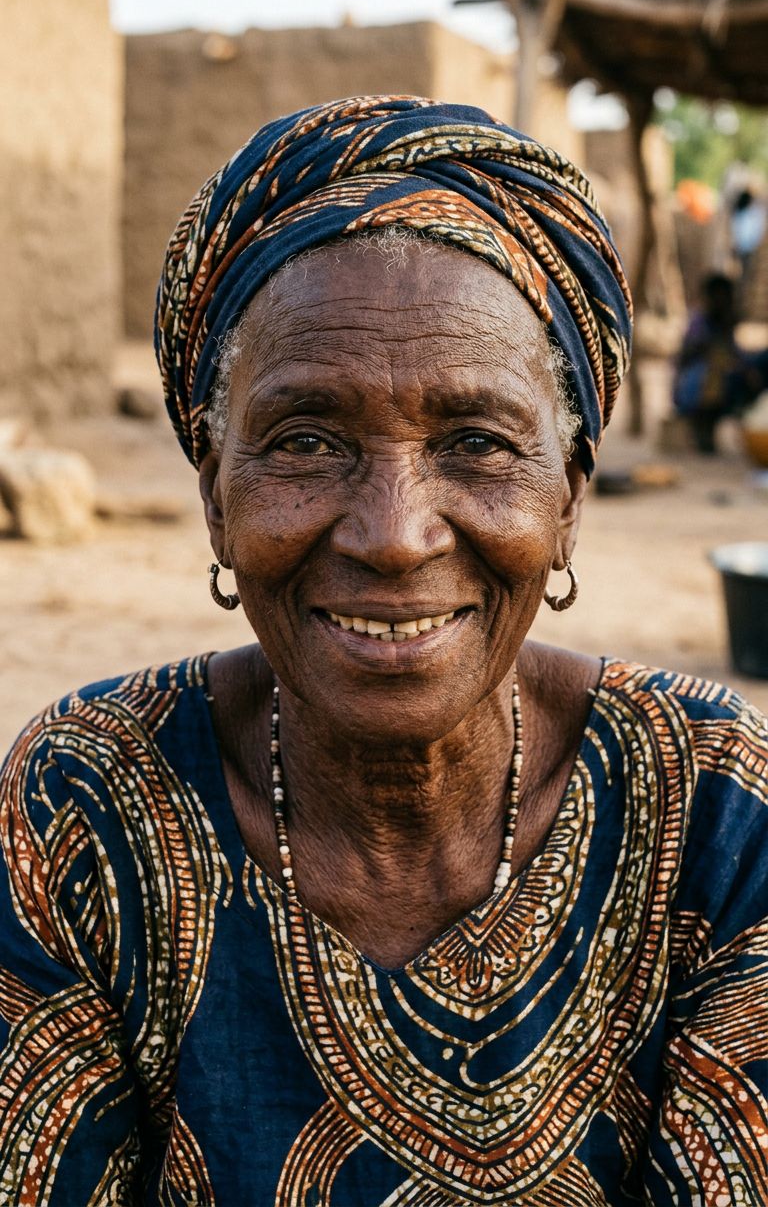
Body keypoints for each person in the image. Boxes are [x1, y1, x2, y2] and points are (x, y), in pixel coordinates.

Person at [1, 96, 766, 1206]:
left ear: (568, 501)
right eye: (307, 439)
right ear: (215, 497)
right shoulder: (85, 803)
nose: (395, 535)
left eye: (477, 442)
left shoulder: (713, 808)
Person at [673, 270, 768, 452]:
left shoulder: (724, 325)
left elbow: (736, 357)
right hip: (694, 392)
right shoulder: (700, 324)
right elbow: (706, 355)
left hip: (714, 384)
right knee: (718, 372)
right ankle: (703, 427)